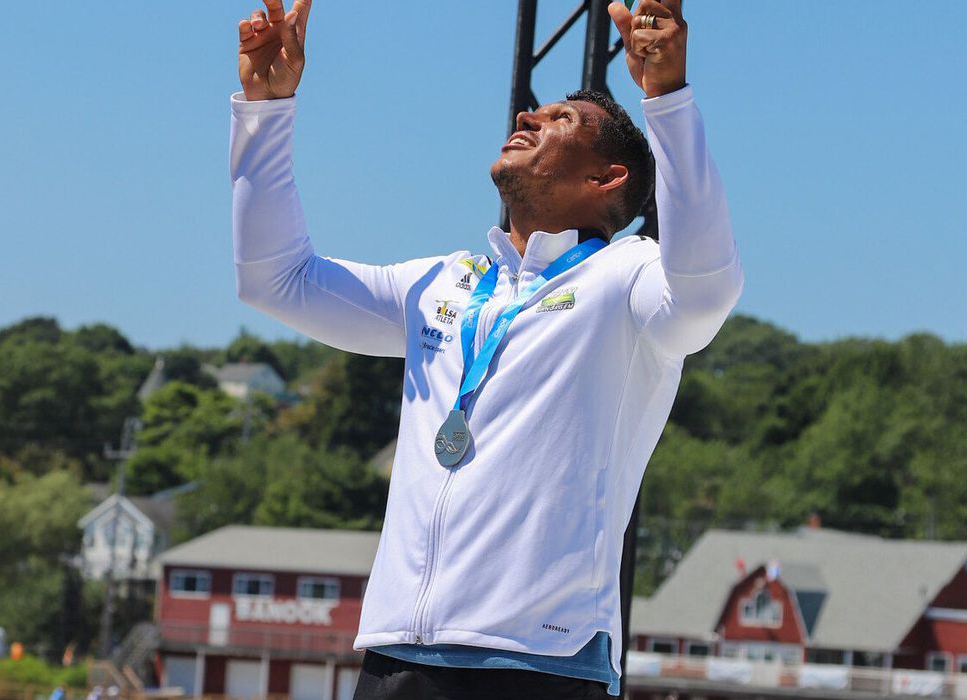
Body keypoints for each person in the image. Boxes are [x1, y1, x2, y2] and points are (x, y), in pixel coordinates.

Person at [231, 0, 742, 697]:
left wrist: (667, 100)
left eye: (561, 121)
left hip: (537, 664)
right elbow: (275, 281)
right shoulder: (444, 282)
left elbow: (707, 291)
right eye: (535, 114)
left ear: (606, 180)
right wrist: (266, 113)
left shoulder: (628, 281)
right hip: (396, 656)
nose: (529, 118)